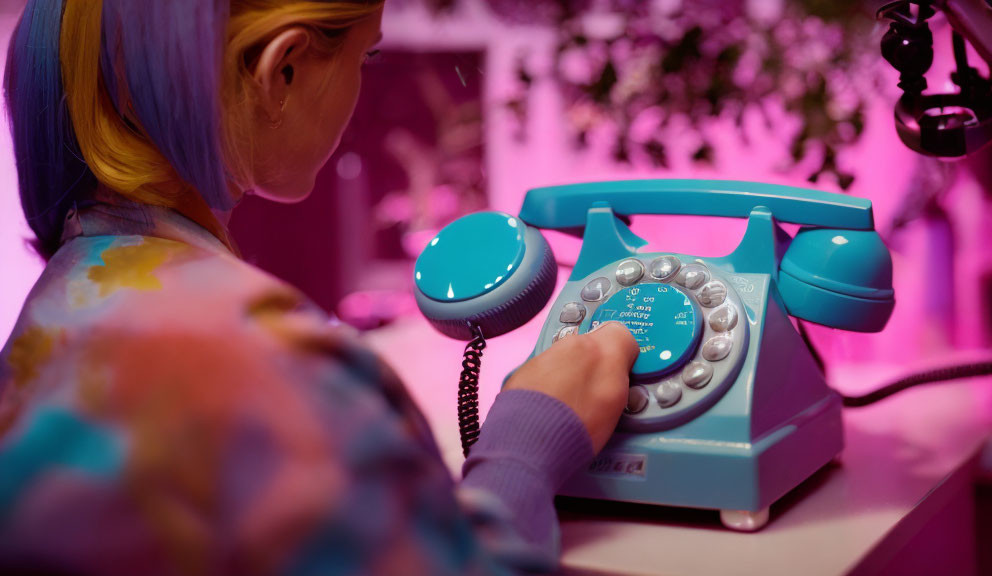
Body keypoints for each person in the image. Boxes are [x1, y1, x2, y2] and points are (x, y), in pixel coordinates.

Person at [0, 0, 638, 574]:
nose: (364, 83)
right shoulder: (266, 358)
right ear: (284, 69)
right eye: (369, 53)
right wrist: (529, 438)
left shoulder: (53, 317)